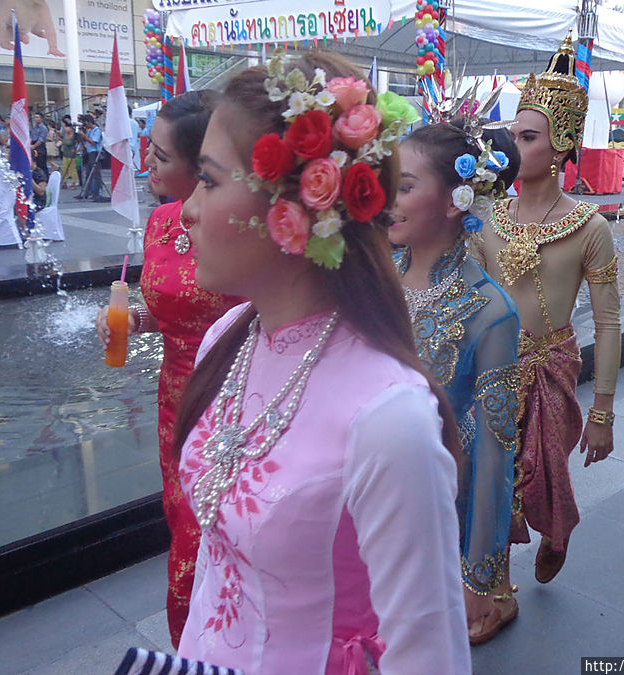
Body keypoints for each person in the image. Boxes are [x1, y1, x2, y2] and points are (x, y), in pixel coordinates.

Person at [173, 50, 470, 672]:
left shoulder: (388, 416)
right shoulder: (227, 338)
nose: (188, 210)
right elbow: (217, 565)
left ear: (289, 208)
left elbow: (430, 654)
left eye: (208, 179)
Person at [95, 90, 241, 650]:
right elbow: (166, 311)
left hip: (230, 398)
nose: (145, 164)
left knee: (204, 539)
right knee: (181, 527)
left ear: (201, 163)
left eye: (158, 155)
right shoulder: (159, 222)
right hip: (173, 401)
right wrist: (135, 320)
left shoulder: (241, 230)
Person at [474, 33, 621, 589]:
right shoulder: (485, 214)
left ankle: (557, 530)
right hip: (491, 365)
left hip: (550, 367)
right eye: (512, 135)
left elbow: (607, 322)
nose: (513, 148)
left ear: (560, 145)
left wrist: (603, 410)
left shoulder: (592, 228)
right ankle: (493, 583)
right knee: (490, 480)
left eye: (528, 137)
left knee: (545, 474)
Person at [391, 116, 522, 645]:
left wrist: (480, 575)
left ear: (454, 201)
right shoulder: (374, 275)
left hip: (437, 497)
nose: (387, 199)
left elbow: (495, 453)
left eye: (403, 187)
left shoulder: (491, 311)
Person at [76, 114, 106, 201]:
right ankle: (86, 192)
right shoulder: (89, 131)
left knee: (95, 174)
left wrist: (84, 136)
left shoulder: (97, 131)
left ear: (88, 122)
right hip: (89, 152)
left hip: (95, 153)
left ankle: (96, 193)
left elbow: (93, 142)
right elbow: (87, 143)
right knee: (88, 173)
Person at [59, 119, 79, 188]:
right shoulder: (65, 135)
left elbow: (78, 143)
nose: (65, 129)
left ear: (71, 128)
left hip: (72, 155)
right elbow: (63, 142)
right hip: (65, 154)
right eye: (65, 127)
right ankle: (64, 182)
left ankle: (74, 183)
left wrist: (76, 149)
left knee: (73, 169)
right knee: (64, 169)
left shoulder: (75, 135)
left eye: (67, 127)